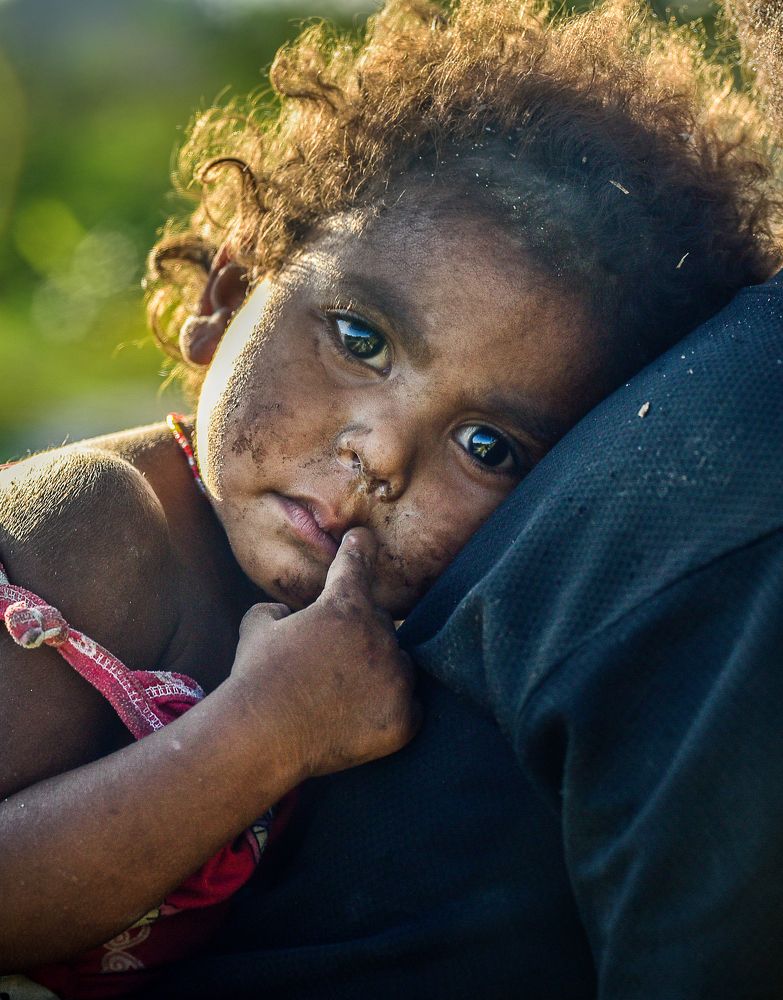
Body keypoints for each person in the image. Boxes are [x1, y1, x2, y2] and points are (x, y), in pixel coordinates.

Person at [0, 0, 780, 997]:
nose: (380, 453)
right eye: (361, 339)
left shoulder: (387, 628)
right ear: (226, 295)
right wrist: (263, 733)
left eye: (488, 445)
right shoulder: (90, 537)